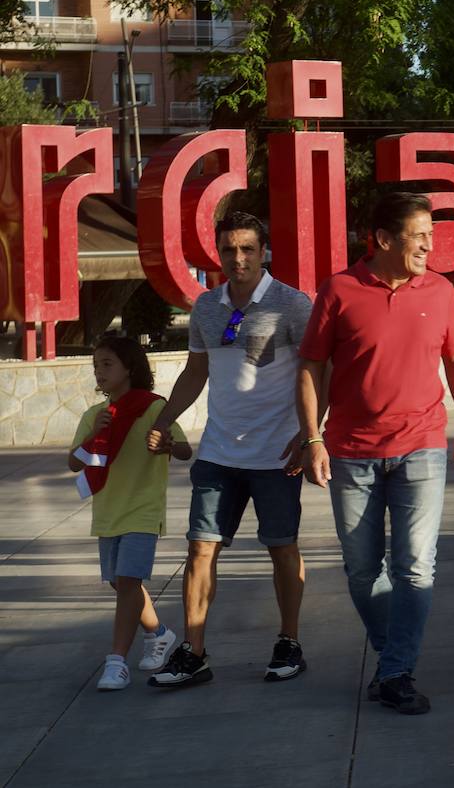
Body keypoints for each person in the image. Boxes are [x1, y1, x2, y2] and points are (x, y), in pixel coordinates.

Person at [297, 192, 454, 715]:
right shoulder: (339, 290)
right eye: (418, 235)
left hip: (421, 445)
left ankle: (397, 670)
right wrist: (312, 437)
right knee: (361, 570)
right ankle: (392, 658)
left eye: (431, 234)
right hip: (351, 451)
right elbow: (310, 367)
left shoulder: (442, 290)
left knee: (415, 568)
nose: (429, 245)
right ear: (382, 239)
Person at [146, 211, 316, 689]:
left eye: (247, 249)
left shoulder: (291, 304)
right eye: (228, 250)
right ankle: (194, 652)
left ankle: (289, 642)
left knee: (282, 548)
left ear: (263, 251)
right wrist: (164, 420)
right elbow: (195, 373)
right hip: (218, 454)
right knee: (200, 549)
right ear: (218, 254)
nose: (237, 258)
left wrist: (310, 432)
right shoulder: (205, 306)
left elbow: (314, 372)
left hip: (276, 455)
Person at [69, 336, 191, 691]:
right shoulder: (95, 416)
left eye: (107, 364)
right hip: (108, 512)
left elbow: (184, 450)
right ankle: (159, 633)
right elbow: (73, 461)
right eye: (96, 365)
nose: (99, 371)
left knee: (128, 582)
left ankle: (116, 661)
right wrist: (94, 435)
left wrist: (167, 444)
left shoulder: (155, 408)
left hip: (142, 509)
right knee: (120, 583)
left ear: (130, 368)